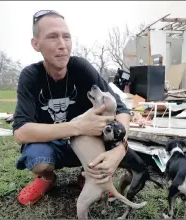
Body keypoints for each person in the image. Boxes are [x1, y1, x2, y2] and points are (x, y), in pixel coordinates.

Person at [13, 10, 131, 206]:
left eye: (66, 36)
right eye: (52, 37)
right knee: (37, 159)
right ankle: (47, 178)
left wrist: (119, 150)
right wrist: (78, 126)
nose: (62, 44)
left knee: (108, 139)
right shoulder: (30, 76)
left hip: (85, 144)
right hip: (51, 144)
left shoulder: (82, 68)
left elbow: (122, 110)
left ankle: (88, 175)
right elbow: (21, 133)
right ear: (36, 44)